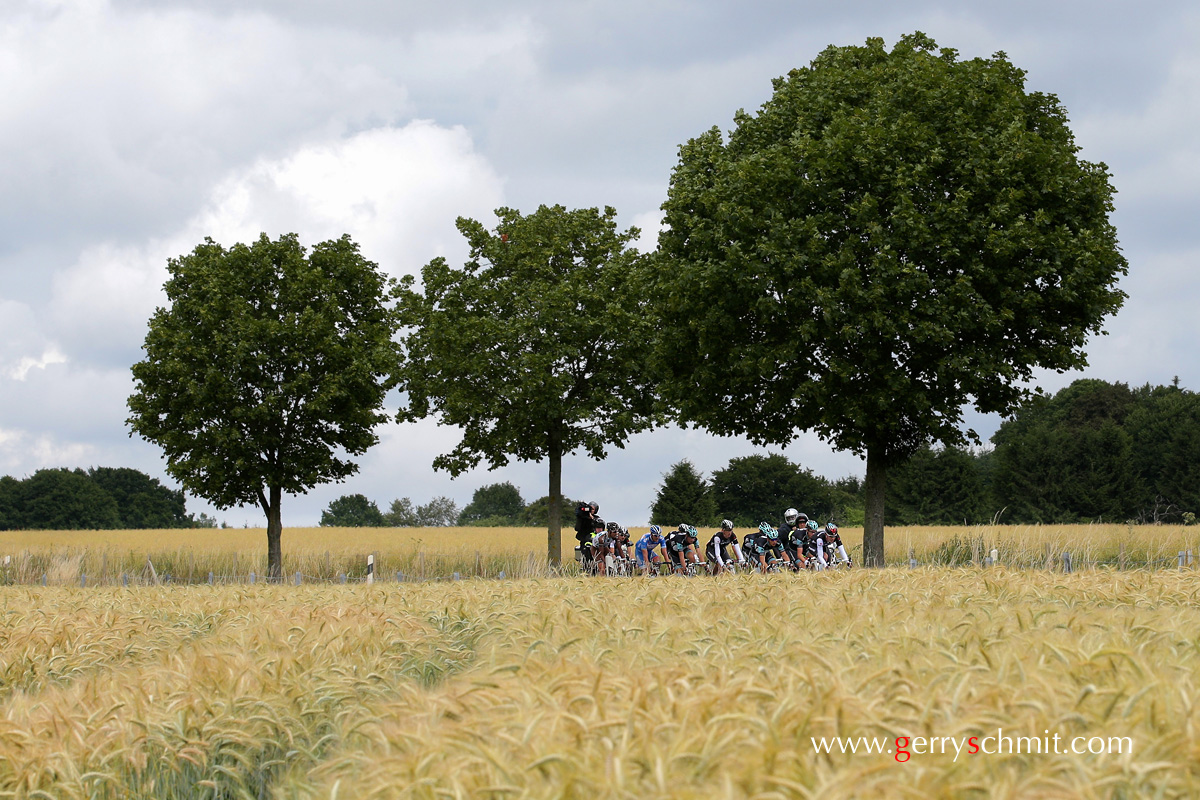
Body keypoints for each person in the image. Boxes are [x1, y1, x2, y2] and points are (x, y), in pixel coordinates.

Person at [575, 501, 598, 570]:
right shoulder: (582, 517)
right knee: (584, 554)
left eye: (593, 509)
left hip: (594, 541)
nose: (591, 510)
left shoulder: (596, 518)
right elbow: (577, 512)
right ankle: (586, 568)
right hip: (584, 539)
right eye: (590, 508)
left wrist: (592, 519)